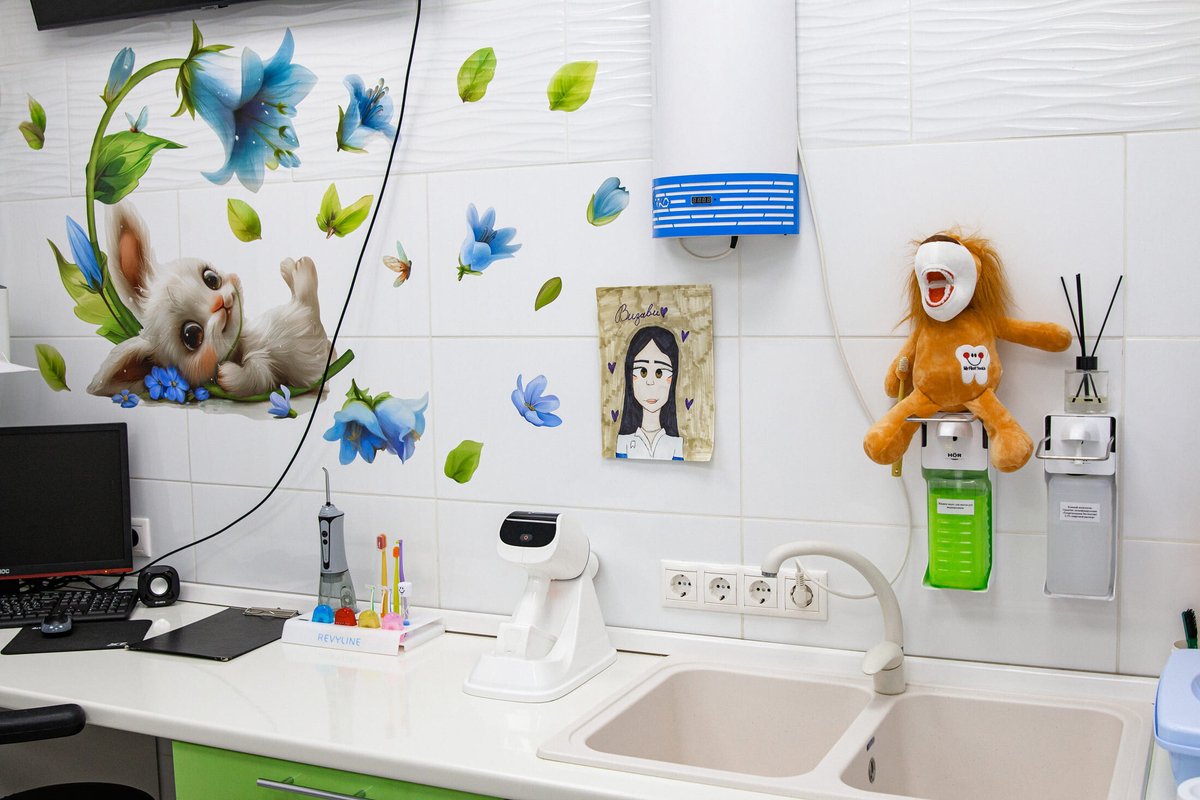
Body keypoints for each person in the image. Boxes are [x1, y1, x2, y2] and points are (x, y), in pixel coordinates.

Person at [615, 325, 684, 461]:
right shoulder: (624, 441)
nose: (650, 382)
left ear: (673, 378)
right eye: (643, 372)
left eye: (659, 373)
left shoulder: (676, 443)